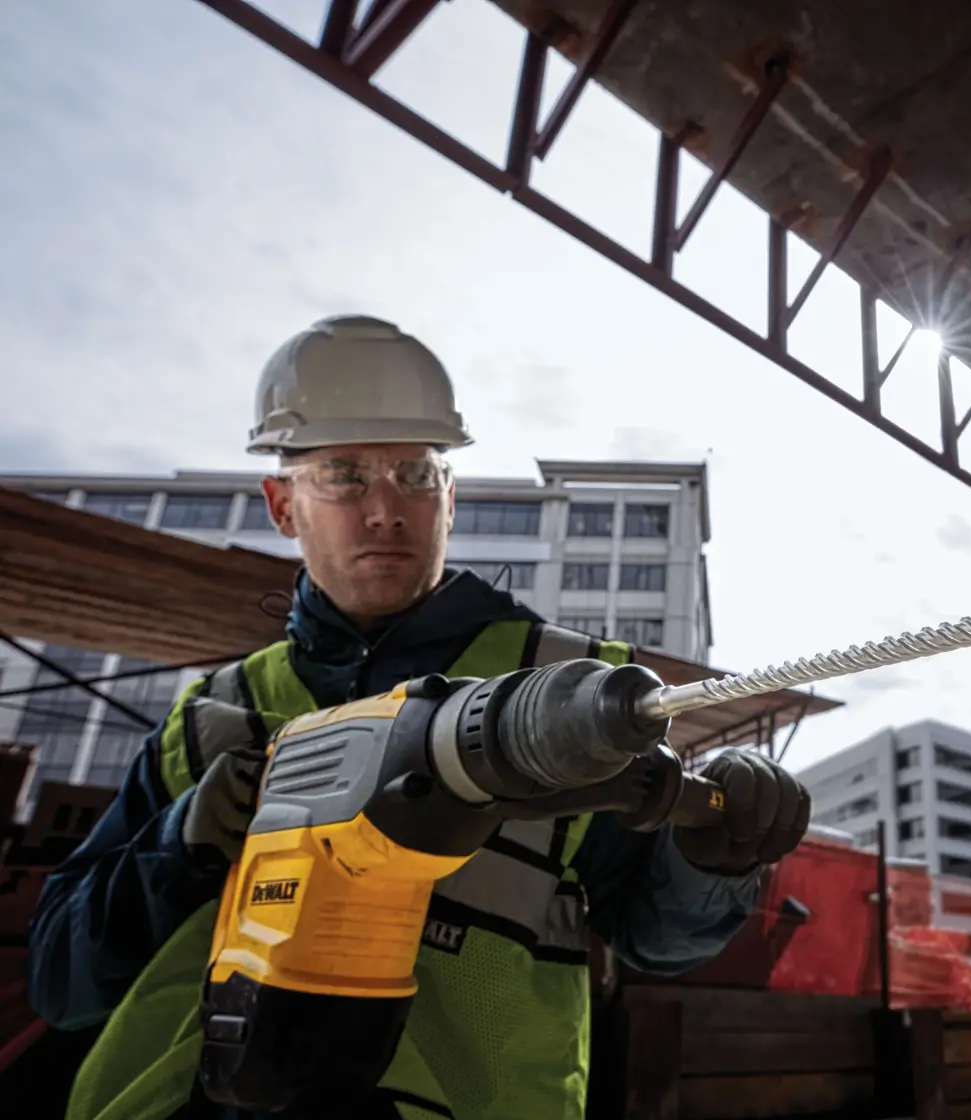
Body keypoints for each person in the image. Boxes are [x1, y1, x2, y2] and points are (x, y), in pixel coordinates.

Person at [27, 315, 811, 1120]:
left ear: (450, 494)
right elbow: (60, 981)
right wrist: (178, 846)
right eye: (343, 475)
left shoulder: (565, 692)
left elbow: (659, 939)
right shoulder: (211, 718)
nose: (385, 510)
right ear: (281, 503)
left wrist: (712, 859)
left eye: (415, 473)